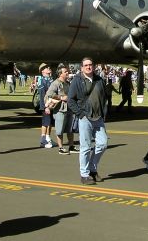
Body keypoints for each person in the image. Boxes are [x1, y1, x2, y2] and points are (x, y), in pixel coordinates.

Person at [68, 57, 108, 185]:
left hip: (98, 117)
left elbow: (104, 97)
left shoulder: (99, 80)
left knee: (103, 143)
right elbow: (70, 100)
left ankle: (92, 169)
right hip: (85, 118)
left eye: (90, 65)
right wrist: (80, 114)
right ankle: (84, 175)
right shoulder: (77, 80)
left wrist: (103, 113)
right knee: (85, 147)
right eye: (86, 65)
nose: (89, 67)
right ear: (82, 67)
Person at [46, 64, 78, 155]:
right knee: (59, 130)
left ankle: (71, 146)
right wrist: (61, 97)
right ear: (60, 74)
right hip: (60, 110)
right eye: (65, 72)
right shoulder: (55, 83)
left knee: (70, 129)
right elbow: (49, 94)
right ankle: (61, 148)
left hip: (69, 109)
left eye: (67, 71)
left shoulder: (67, 83)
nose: (68, 73)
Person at [37, 63, 54, 148]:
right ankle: (43, 140)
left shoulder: (50, 79)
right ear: (42, 71)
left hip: (51, 105)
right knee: (45, 123)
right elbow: (42, 94)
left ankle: (48, 137)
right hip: (46, 105)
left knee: (50, 123)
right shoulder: (42, 81)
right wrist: (46, 106)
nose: (48, 68)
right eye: (46, 68)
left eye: (48, 67)